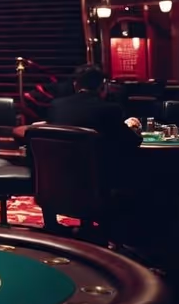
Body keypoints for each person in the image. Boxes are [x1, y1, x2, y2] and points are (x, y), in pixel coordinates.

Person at [42, 63, 143, 228]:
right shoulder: (110, 109)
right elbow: (132, 142)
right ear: (103, 87)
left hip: (56, 179)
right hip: (98, 182)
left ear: (76, 84)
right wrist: (133, 128)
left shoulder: (57, 106)